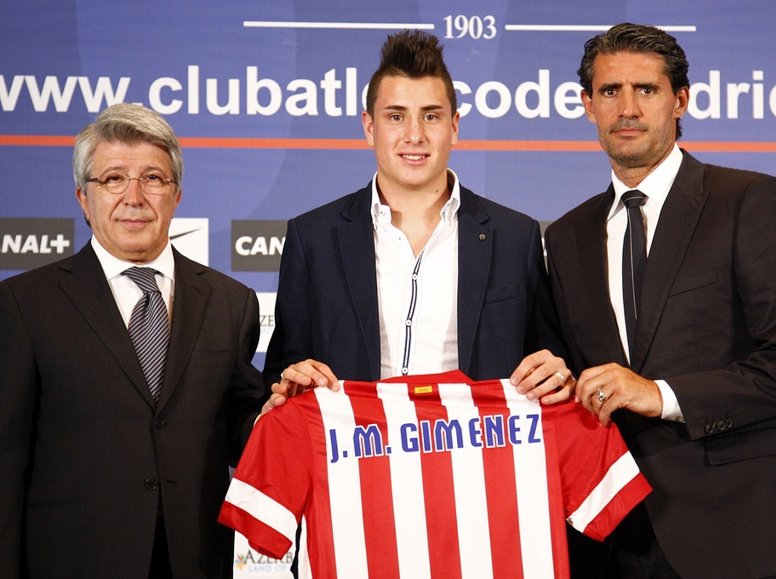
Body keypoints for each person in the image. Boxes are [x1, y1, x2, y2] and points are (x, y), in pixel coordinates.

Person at [545, 22, 776, 578]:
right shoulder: (565, 237)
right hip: (613, 541)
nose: (627, 108)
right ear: (587, 105)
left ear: (680, 100)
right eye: (610, 91)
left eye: (646, 89)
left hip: (738, 538)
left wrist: (659, 395)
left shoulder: (748, 200)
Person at [0, 103, 267, 578]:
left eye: (153, 178)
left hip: (194, 557)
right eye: (114, 179)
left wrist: (277, 416)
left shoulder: (231, 302)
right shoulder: (25, 304)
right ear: (84, 198)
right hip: (73, 559)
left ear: (177, 194)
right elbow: (7, 459)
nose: (134, 196)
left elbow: (238, 430)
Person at [263, 30, 572, 412]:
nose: (414, 135)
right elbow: (281, 374)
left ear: (454, 127)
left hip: (478, 446)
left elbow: (550, 365)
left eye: (431, 116)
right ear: (369, 127)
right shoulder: (312, 238)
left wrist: (556, 374)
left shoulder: (515, 237)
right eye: (396, 116)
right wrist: (288, 383)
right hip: (356, 446)